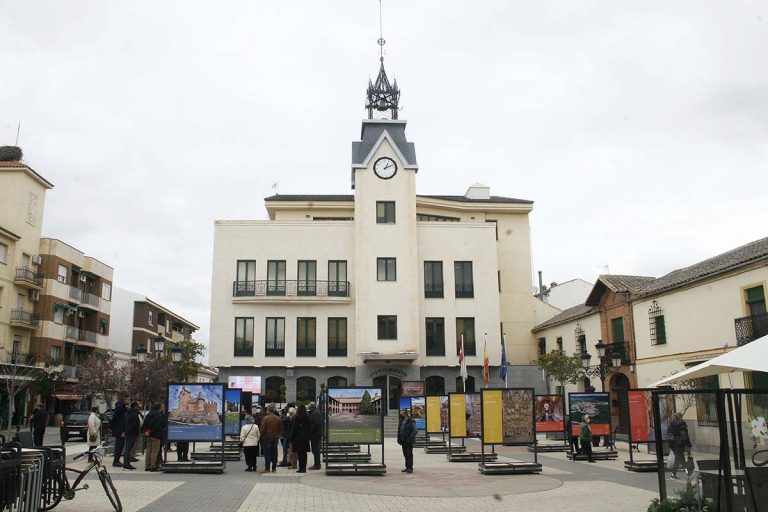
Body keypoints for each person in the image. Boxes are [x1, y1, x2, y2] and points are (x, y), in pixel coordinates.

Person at [667, 412, 692, 479]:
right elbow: (685, 436)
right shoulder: (681, 425)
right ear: (680, 417)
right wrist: (688, 444)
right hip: (680, 444)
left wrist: (671, 443)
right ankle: (687, 471)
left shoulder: (671, 425)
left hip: (673, 445)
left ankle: (674, 473)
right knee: (679, 458)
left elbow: (669, 435)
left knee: (678, 458)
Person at [143, 403, 166, 472]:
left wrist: (147, 432)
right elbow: (158, 426)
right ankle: (153, 466)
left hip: (148, 435)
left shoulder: (149, 414)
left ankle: (147, 466)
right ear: (159, 408)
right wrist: (152, 431)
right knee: (154, 451)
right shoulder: (159, 416)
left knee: (148, 451)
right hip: (156, 435)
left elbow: (145, 424)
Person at [288, 405, 311, 473]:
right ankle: (303, 468)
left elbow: (294, 428)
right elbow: (309, 426)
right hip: (305, 438)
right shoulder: (307, 417)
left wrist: (290, 437)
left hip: (298, 438)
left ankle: (301, 468)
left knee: (300, 454)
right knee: (304, 454)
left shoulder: (297, 417)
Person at [259, 404, 281, 473]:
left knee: (267, 453)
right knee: (274, 452)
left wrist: (260, 435)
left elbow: (262, 429)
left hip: (267, 437)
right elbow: (280, 428)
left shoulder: (265, 418)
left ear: (268, 410)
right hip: (275, 437)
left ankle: (267, 468)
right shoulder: (278, 418)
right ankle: (274, 468)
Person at [397, 409, 417, 473]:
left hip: (409, 441)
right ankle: (407, 467)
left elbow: (415, 430)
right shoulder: (401, 421)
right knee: (405, 454)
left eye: (402, 413)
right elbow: (400, 430)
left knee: (409, 454)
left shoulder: (411, 421)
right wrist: (399, 438)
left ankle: (410, 468)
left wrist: (410, 437)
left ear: (405, 414)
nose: (400, 415)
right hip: (403, 440)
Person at [122, 401, 141, 470]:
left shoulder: (127, 413)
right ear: (135, 406)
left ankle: (126, 463)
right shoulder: (134, 414)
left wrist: (125, 431)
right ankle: (126, 464)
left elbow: (125, 423)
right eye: (138, 405)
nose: (139, 406)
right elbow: (133, 425)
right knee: (128, 449)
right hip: (132, 433)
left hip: (128, 433)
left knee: (127, 448)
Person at [112, 395, 128, 467]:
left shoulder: (122, 406)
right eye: (128, 399)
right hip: (119, 430)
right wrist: (122, 430)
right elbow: (117, 419)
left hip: (120, 429)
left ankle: (117, 460)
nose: (129, 401)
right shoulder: (120, 407)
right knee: (119, 445)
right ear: (124, 399)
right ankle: (116, 461)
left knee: (120, 445)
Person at [307, 401, 323, 470]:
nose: (308, 407)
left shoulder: (315, 413)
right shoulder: (315, 412)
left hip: (315, 435)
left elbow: (315, 424)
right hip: (316, 434)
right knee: (315, 450)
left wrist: (310, 430)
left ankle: (317, 465)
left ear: (312, 406)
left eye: (309, 406)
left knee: (315, 450)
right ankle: (316, 464)